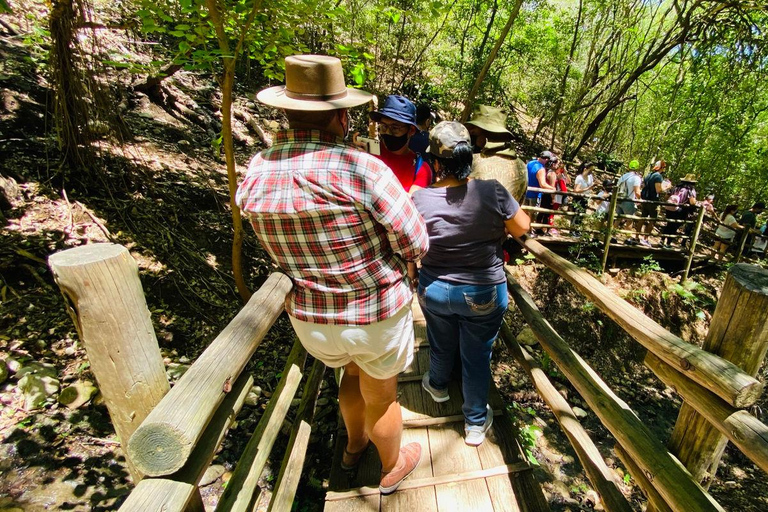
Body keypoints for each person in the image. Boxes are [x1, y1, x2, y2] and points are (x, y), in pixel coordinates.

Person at [236, 55, 428, 495]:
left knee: (350, 377)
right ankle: (392, 465)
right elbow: (416, 241)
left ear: (284, 111)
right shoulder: (362, 168)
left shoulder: (258, 169)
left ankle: (351, 448)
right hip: (373, 313)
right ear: (342, 116)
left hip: (311, 319)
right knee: (382, 396)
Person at [410, 121, 530, 446]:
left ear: (435, 161)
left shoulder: (419, 199)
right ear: (470, 156)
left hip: (433, 289)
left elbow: (409, 244)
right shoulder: (491, 191)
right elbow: (522, 228)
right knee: (476, 355)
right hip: (483, 292)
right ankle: (475, 423)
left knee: (440, 339)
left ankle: (436, 385)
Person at [464, 105, 528, 203]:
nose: (471, 133)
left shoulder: (473, 161)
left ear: (486, 135)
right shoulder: (521, 166)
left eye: (474, 132)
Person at [370, 95, 433, 193]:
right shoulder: (369, 153)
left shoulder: (421, 169)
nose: (388, 133)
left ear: (411, 130)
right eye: (384, 127)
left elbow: (410, 205)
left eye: (395, 128)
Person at [636, 160, 670, 246]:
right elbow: (658, 190)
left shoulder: (648, 175)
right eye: (664, 167)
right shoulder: (658, 176)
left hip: (645, 200)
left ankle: (636, 237)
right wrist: (667, 187)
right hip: (653, 201)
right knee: (652, 220)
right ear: (661, 168)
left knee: (642, 218)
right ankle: (645, 238)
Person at [660, 174, 697, 248]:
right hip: (681, 210)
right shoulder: (690, 190)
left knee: (669, 224)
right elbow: (692, 202)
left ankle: (662, 240)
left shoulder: (676, 187)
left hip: (670, 208)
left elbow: (666, 196)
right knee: (674, 226)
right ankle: (668, 243)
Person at [616, 160, 643, 243]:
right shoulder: (636, 178)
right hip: (628, 200)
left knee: (617, 219)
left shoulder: (623, 176)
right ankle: (628, 238)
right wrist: (640, 199)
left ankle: (611, 235)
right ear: (637, 168)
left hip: (619, 199)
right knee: (629, 220)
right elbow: (637, 192)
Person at [571, 162, 595, 229]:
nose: (591, 171)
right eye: (590, 169)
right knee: (576, 214)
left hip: (585, 198)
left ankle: (578, 230)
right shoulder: (579, 178)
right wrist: (588, 188)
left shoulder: (590, 177)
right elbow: (576, 190)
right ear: (585, 169)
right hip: (578, 198)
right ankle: (573, 230)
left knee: (582, 215)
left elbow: (590, 187)